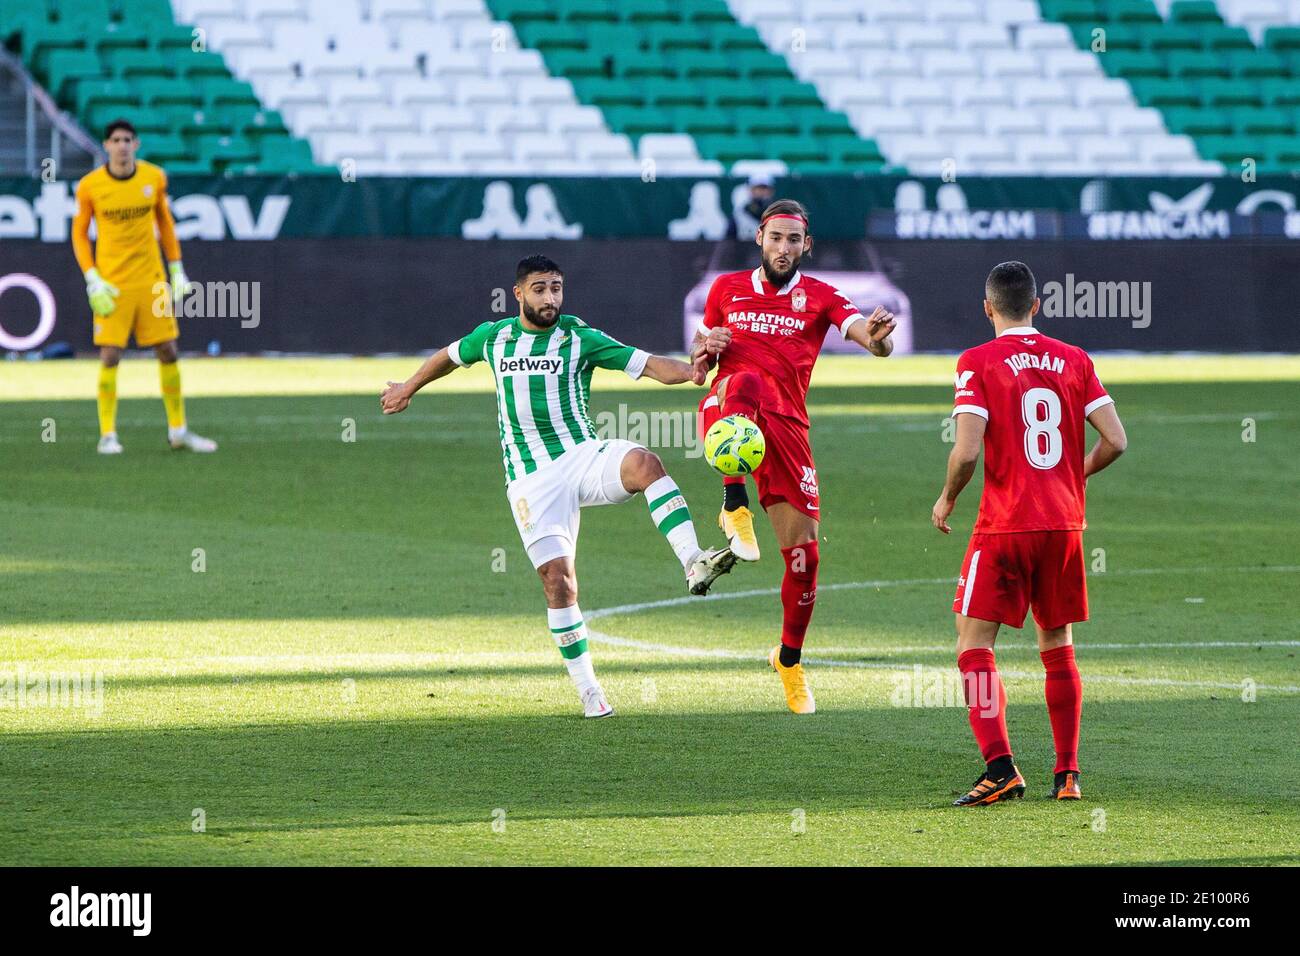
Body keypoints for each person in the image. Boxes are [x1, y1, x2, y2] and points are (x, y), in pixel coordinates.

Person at [381, 255, 736, 718]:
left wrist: (692, 371)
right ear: (519, 294)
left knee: (646, 464)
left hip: (582, 456)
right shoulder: (494, 338)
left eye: (556, 288)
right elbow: (449, 358)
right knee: (559, 583)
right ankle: (590, 692)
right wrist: (408, 387)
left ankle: (693, 561)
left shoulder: (578, 337)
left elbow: (646, 364)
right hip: (531, 479)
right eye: (540, 289)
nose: (551, 298)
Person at [932, 261, 1128, 806]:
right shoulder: (1074, 359)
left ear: (988, 308)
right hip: (1063, 523)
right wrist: (1072, 475)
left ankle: (1000, 768)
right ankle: (1067, 775)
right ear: (1037, 306)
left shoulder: (976, 361)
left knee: (973, 646)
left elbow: (967, 450)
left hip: (1005, 524)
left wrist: (947, 497)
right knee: (1058, 647)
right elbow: (1116, 440)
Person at [692, 199, 896, 714]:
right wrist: (706, 346)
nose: (783, 248)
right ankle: (732, 502)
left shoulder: (822, 296)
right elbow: (701, 367)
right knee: (745, 381)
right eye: (775, 237)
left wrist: (877, 340)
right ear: (759, 238)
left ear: (806, 245)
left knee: (804, 560)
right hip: (730, 409)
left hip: (787, 430)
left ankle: (788, 659)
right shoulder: (726, 290)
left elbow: (865, 337)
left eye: (793, 240)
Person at [72, 119, 216, 455]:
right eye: (115, 140)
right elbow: (79, 233)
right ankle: (107, 434)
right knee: (110, 355)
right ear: (106, 145)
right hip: (113, 283)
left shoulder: (154, 177)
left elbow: (164, 222)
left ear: (136, 144)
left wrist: (177, 269)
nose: (122, 145)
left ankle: (178, 430)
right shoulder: (90, 186)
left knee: (168, 350)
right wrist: (92, 277)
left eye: (127, 140)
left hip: (151, 280)